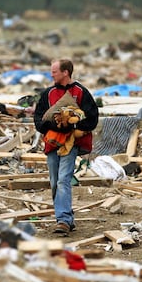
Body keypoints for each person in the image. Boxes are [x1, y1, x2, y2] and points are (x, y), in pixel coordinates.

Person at [33, 58, 99, 235]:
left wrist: (74, 127)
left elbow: (92, 118)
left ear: (65, 72)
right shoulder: (48, 94)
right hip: (52, 143)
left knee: (63, 179)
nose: (51, 74)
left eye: (54, 71)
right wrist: (53, 126)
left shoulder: (81, 92)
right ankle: (66, 217)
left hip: (71, 144)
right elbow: (38, 119)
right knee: (55, 182)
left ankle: (63, 221)